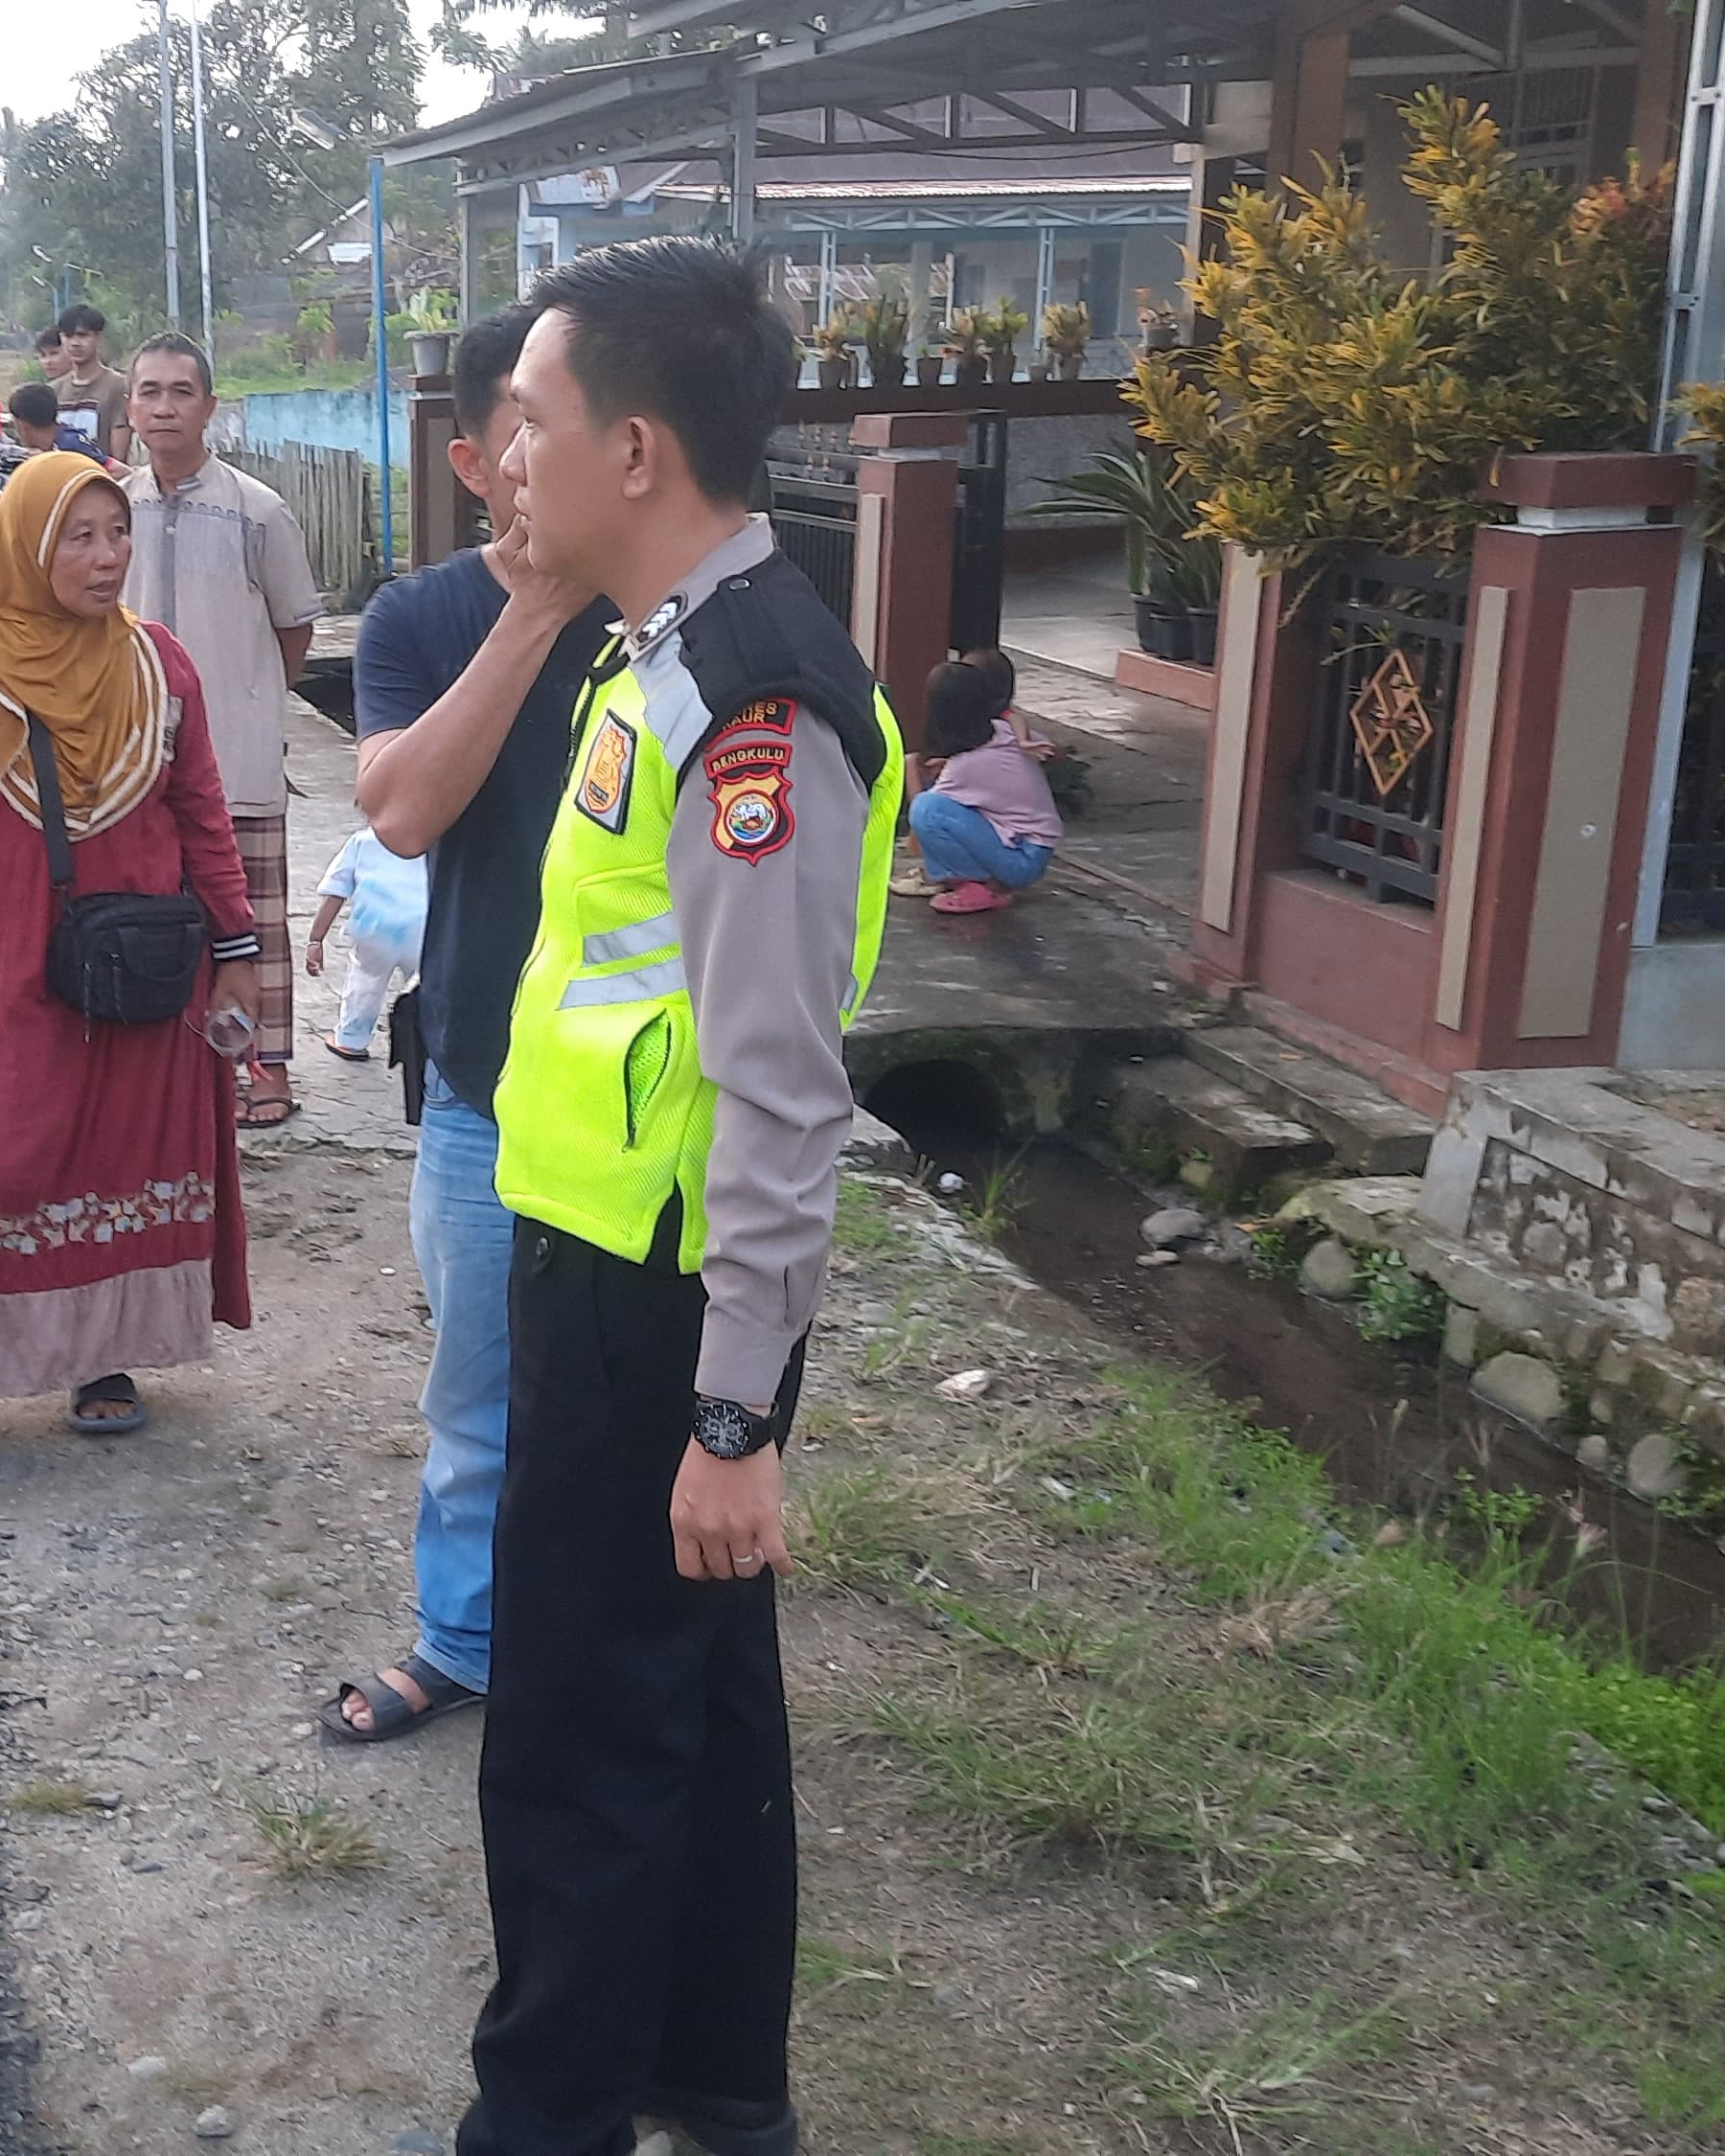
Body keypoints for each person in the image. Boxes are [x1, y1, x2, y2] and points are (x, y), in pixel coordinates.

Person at [463, 238, 901, 2156]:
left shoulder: (751, 709)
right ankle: (715, 2087)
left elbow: (779, 1095)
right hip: (616, 1260)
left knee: (574, 1732)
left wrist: (730, 1415)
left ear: (633, 448)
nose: (501, 457)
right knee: (694, 1707)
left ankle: (542, 2123)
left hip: (661, 1303)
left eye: (531, 422)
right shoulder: (651, 652)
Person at [320, 305, 620, 1748]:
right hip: (486, 1084)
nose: (546, 443)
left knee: (632, 1397)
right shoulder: (423, 616)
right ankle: (465, 1637)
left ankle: (601, 1640)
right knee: (479, 1398)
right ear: (474, 452)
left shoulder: (674, 610)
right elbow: (401, 807)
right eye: (525, 416)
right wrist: (539, 606)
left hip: (643, 1101)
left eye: (568, 410)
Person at [0, 449, 261, 1482]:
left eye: (116, 534)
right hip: (14, 980)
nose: (104, 558)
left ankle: (103, 1359)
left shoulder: (161, 663)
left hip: (149, 979)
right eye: (77, 538)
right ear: (27, 547)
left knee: (126, 1161)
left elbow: (203, 817)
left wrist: (236, 954)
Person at [122, 332, 320, 1128]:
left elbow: (293, 629)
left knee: (251, 917)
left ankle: (264, 1066)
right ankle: (174, 1070)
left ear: (209, 406)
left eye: (180, 392)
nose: (163, 407)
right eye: (148, 391)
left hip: (234, 753)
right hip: (133, 758)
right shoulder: (114, 508)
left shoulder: (256, 511)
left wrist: (246, 697)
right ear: (130, 405)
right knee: (154, 913)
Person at [909, 653, 1060, 914]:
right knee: (938, 806)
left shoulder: (965, 767)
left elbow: (922, 827)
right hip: (1032, 850)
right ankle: (980, 879)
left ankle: (979, 885)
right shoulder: (1004, 732)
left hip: (1020, 862)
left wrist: (911, 769)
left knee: (927, 808)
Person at [305, 824, 426, 1062]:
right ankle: (425, 1044)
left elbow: (335, 894)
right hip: (423, 929)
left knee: (365, 984)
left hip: (374, 929)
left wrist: (315, 940)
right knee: (425, 988)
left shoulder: (362, 842)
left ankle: (350, 1040)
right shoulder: (435, 842)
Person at [47, 303, 129, 460]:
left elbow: (119, 458)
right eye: (68, 336)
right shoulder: (52, 391)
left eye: (82, 335)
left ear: (98, 337)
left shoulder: (118, 386)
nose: (75, 343)